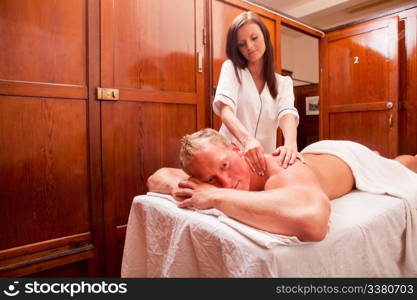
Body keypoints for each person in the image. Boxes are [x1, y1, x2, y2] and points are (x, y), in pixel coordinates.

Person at [147, 128, 417, 243]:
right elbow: (157, 176)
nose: (225, 182)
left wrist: (216, 196)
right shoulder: (211, 175)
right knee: (386, 159)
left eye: (225, 166)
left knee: (398, 166)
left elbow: (313, 222)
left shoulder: (279, 170)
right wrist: (184, 187)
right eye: (208, 180)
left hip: (347, 156)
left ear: (235, 148)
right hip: (318, 154)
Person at [214, 11, 301, 176]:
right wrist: (247, 140)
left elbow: (287, 114)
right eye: (242, 44)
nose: (250, 47)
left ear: (265, 37)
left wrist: (291, 144)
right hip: (226, 158)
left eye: (254, 38)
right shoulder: (231, 69)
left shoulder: (283, 83)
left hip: (262, 163)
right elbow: (226, 111)